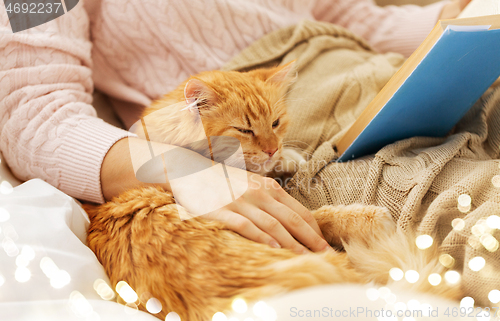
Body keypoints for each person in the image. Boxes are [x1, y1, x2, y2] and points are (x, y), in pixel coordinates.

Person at [0, 0, 470, 254]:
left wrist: (462, 15)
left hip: (374, 74)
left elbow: (343, 16)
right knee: (466, 213)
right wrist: (191, 175)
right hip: (262, 127)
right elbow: (36, 112)